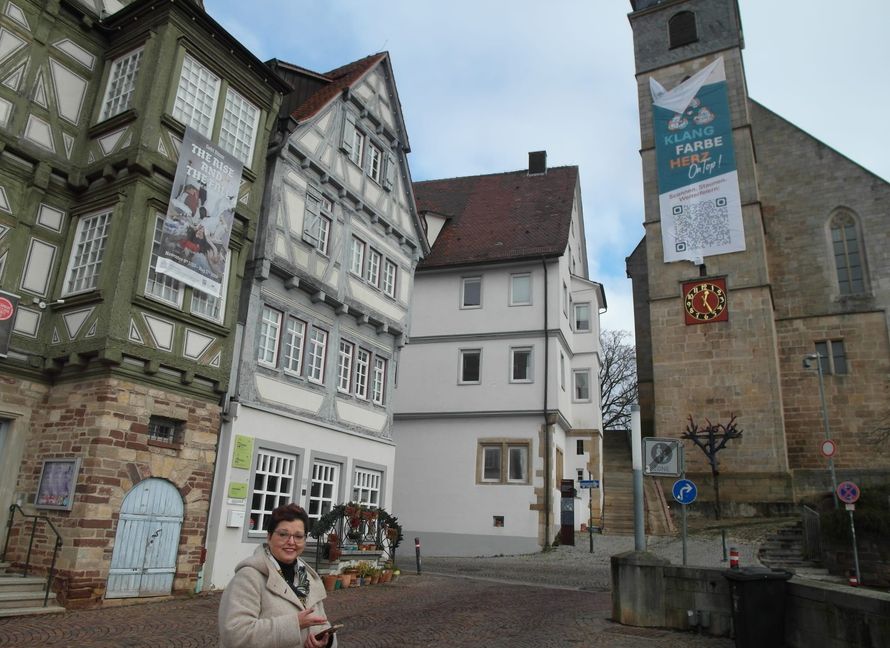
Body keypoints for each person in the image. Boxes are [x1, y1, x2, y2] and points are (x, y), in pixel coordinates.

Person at [218, 504, 337, 648]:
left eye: (298, 536)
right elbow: (235, 635)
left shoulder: (307, 577)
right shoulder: (249, 577)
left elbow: (321, 623)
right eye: (283, 534)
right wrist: (295, 624)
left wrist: (326, 641)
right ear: (269, 537)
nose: (291, 542)